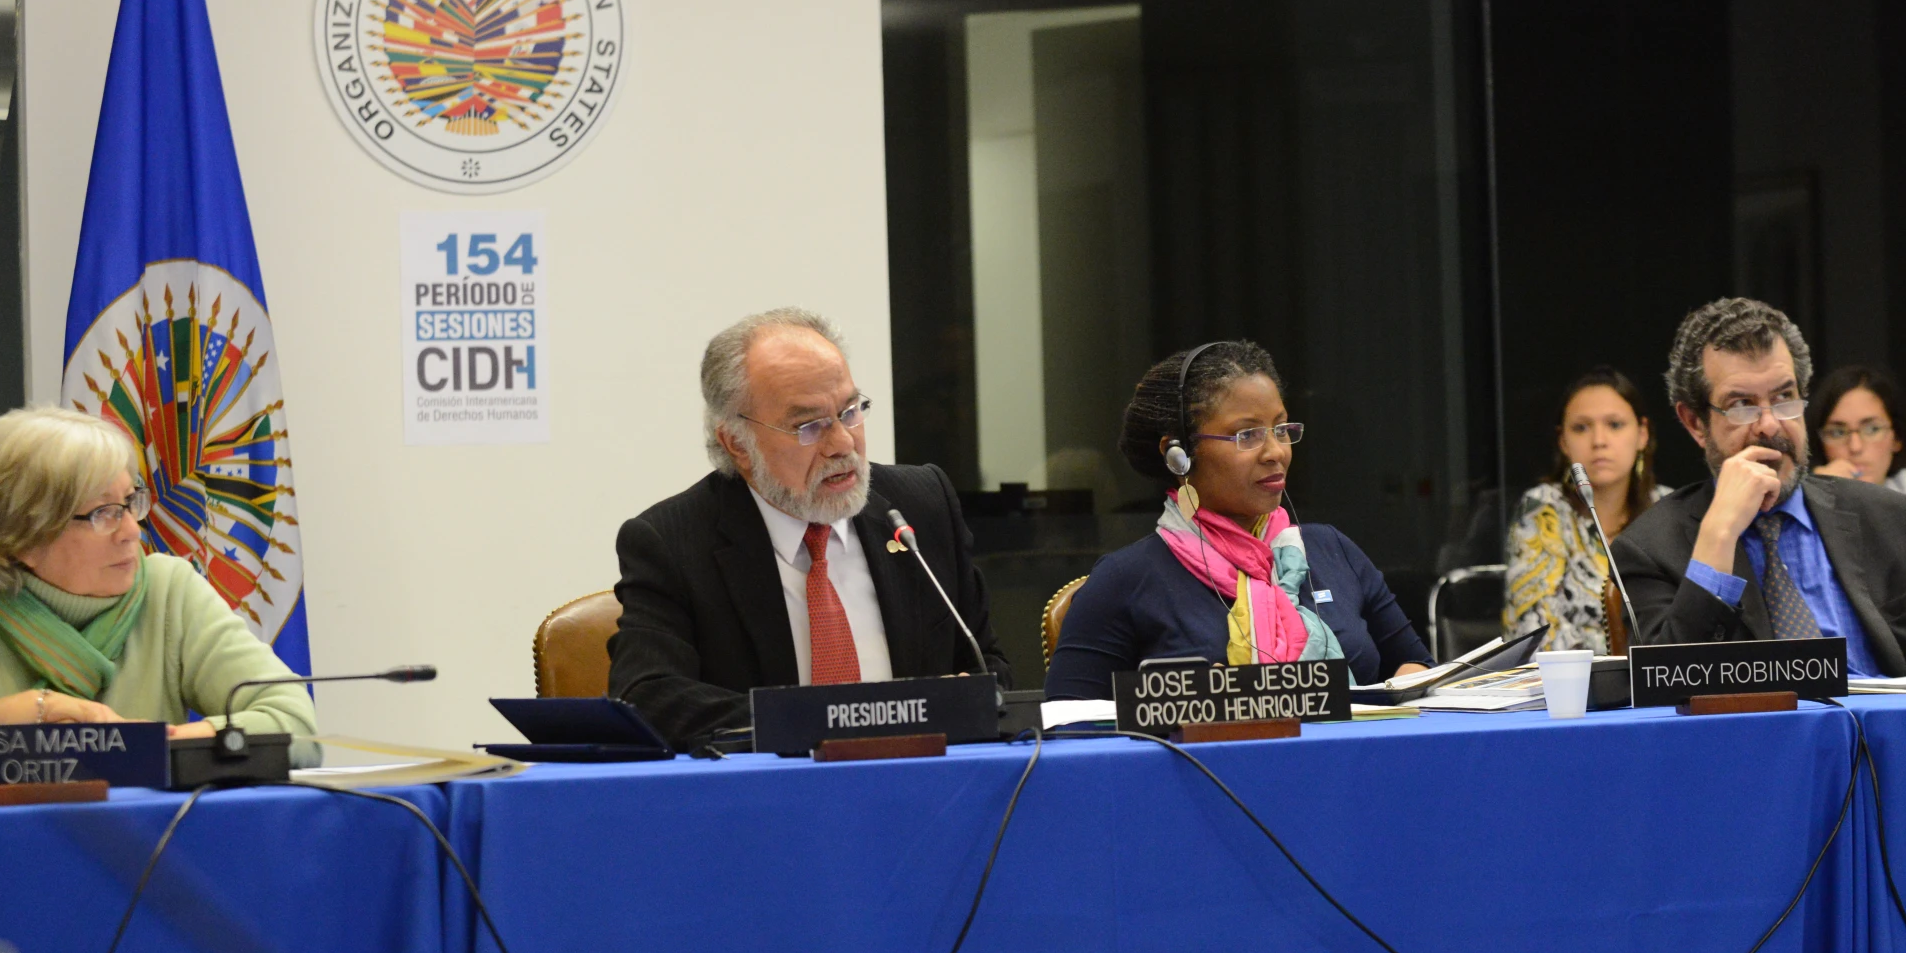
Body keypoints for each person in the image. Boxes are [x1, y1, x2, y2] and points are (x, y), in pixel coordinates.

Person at [609, 308, 1010, 749]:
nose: (842, 443)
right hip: (771, 803)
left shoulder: (922, 506)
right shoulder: (672, 541)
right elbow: (647, 698)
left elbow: (987, 664)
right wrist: (821, 721)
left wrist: (959, 697)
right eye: (809, 426)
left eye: (850, 411)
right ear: (736, 443)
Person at [0, 407, 314, 755]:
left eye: (130, 503)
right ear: (21, 536)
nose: (132, 530)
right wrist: (27, 713)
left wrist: (154, 749)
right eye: (103, 513)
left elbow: (293, 722)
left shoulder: (169, 591)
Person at [1043, 340, 1431, 700]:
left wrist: (1398, 694)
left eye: (1281, 429)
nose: (1275, 451)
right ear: (1178, 453)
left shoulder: (1332, 550)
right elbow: (1072, 725)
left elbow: (1421, 669)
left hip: (1352, 764)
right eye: (1247, 435)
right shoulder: (1124, 580)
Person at [1612, 298, 1906, 677]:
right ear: (1695, 423)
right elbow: (1667, 689)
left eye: (1784, 398)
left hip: (1888, 731)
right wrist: (1718, 534)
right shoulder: (1648, 550)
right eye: (1742, 404)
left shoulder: (1892, 518)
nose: (1770, 425)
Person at [1502, 367, 1669, 652]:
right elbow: (1537, 632)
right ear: (1563, 442)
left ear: (1642, 434)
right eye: (1581, 427)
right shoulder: (1544, 510)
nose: (1599, 441)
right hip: (1565, 688)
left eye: (1615, 425)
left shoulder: (1668, 509)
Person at [1807, 364, 1906, 540]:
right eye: (1837, 432)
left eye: (1872, 429)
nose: (1855, 447)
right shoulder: (1807, 496)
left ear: (1897, 438)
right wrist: (1819, 499)